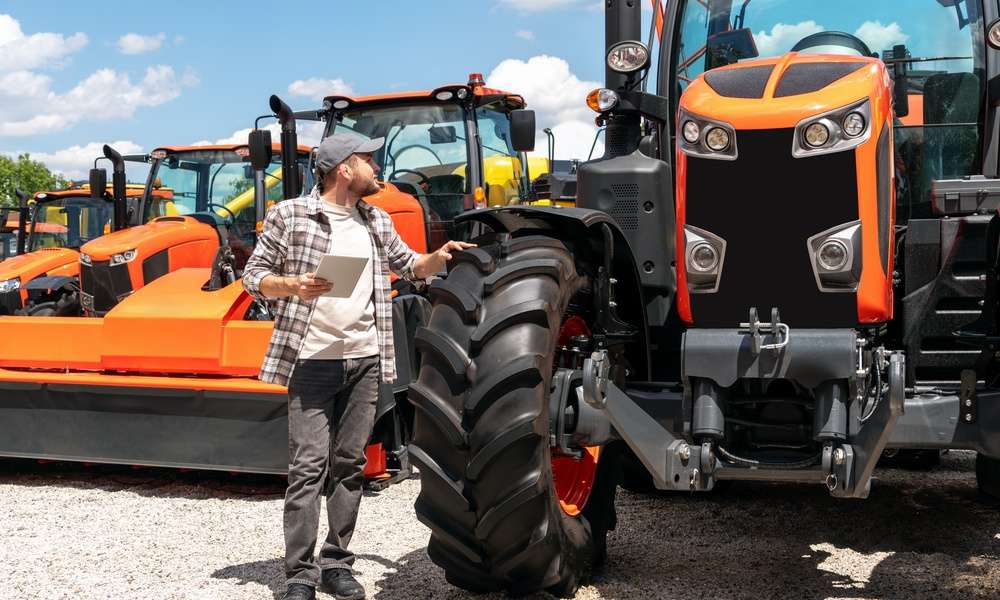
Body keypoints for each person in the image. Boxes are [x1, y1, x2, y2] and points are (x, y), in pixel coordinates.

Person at [243, 133, 473, 600]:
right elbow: (253, 276)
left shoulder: (375, 219)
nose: (376, 166)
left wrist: (439, 256)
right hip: (312, 362)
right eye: (368, 159)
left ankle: (336, 563)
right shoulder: (291, 215)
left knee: (349, 467)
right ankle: (299, 575)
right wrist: (293, 285)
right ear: (344, 169)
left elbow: (411, 267)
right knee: (307, 468)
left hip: (365, 360)